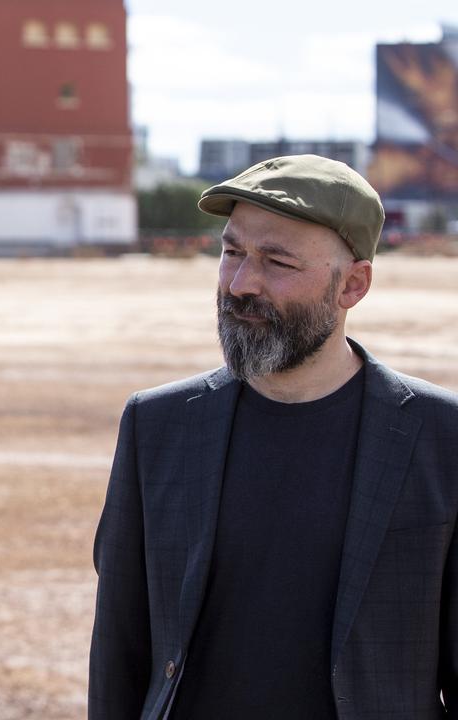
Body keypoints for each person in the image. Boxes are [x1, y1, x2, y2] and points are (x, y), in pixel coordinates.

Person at [89, 154, 458, 718]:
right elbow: (121, 653)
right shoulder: (157, 427)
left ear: (353, 285)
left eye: (277, 261)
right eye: (232, 252)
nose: (240, 284)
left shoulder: (441, 437)